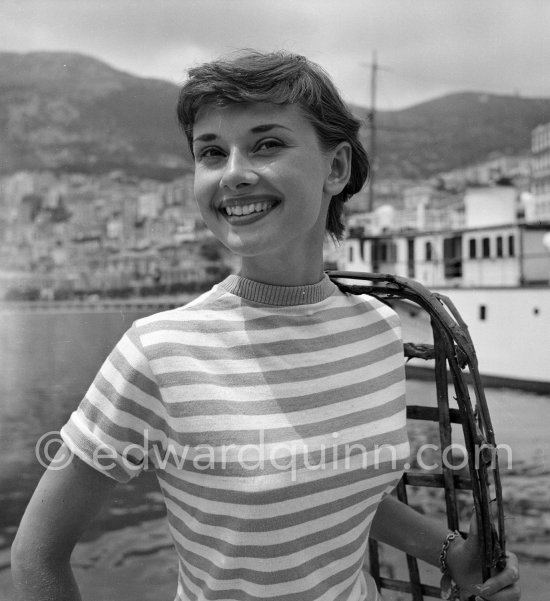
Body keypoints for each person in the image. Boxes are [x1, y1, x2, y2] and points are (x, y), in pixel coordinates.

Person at [11, 50, 520, 601]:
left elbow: (343, 489)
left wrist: (451, 555)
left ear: (337, 168)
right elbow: (37, 554)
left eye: (267, 143)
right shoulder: (157, 352)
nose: (233, 173)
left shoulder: (378, 328)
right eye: (210, 152)